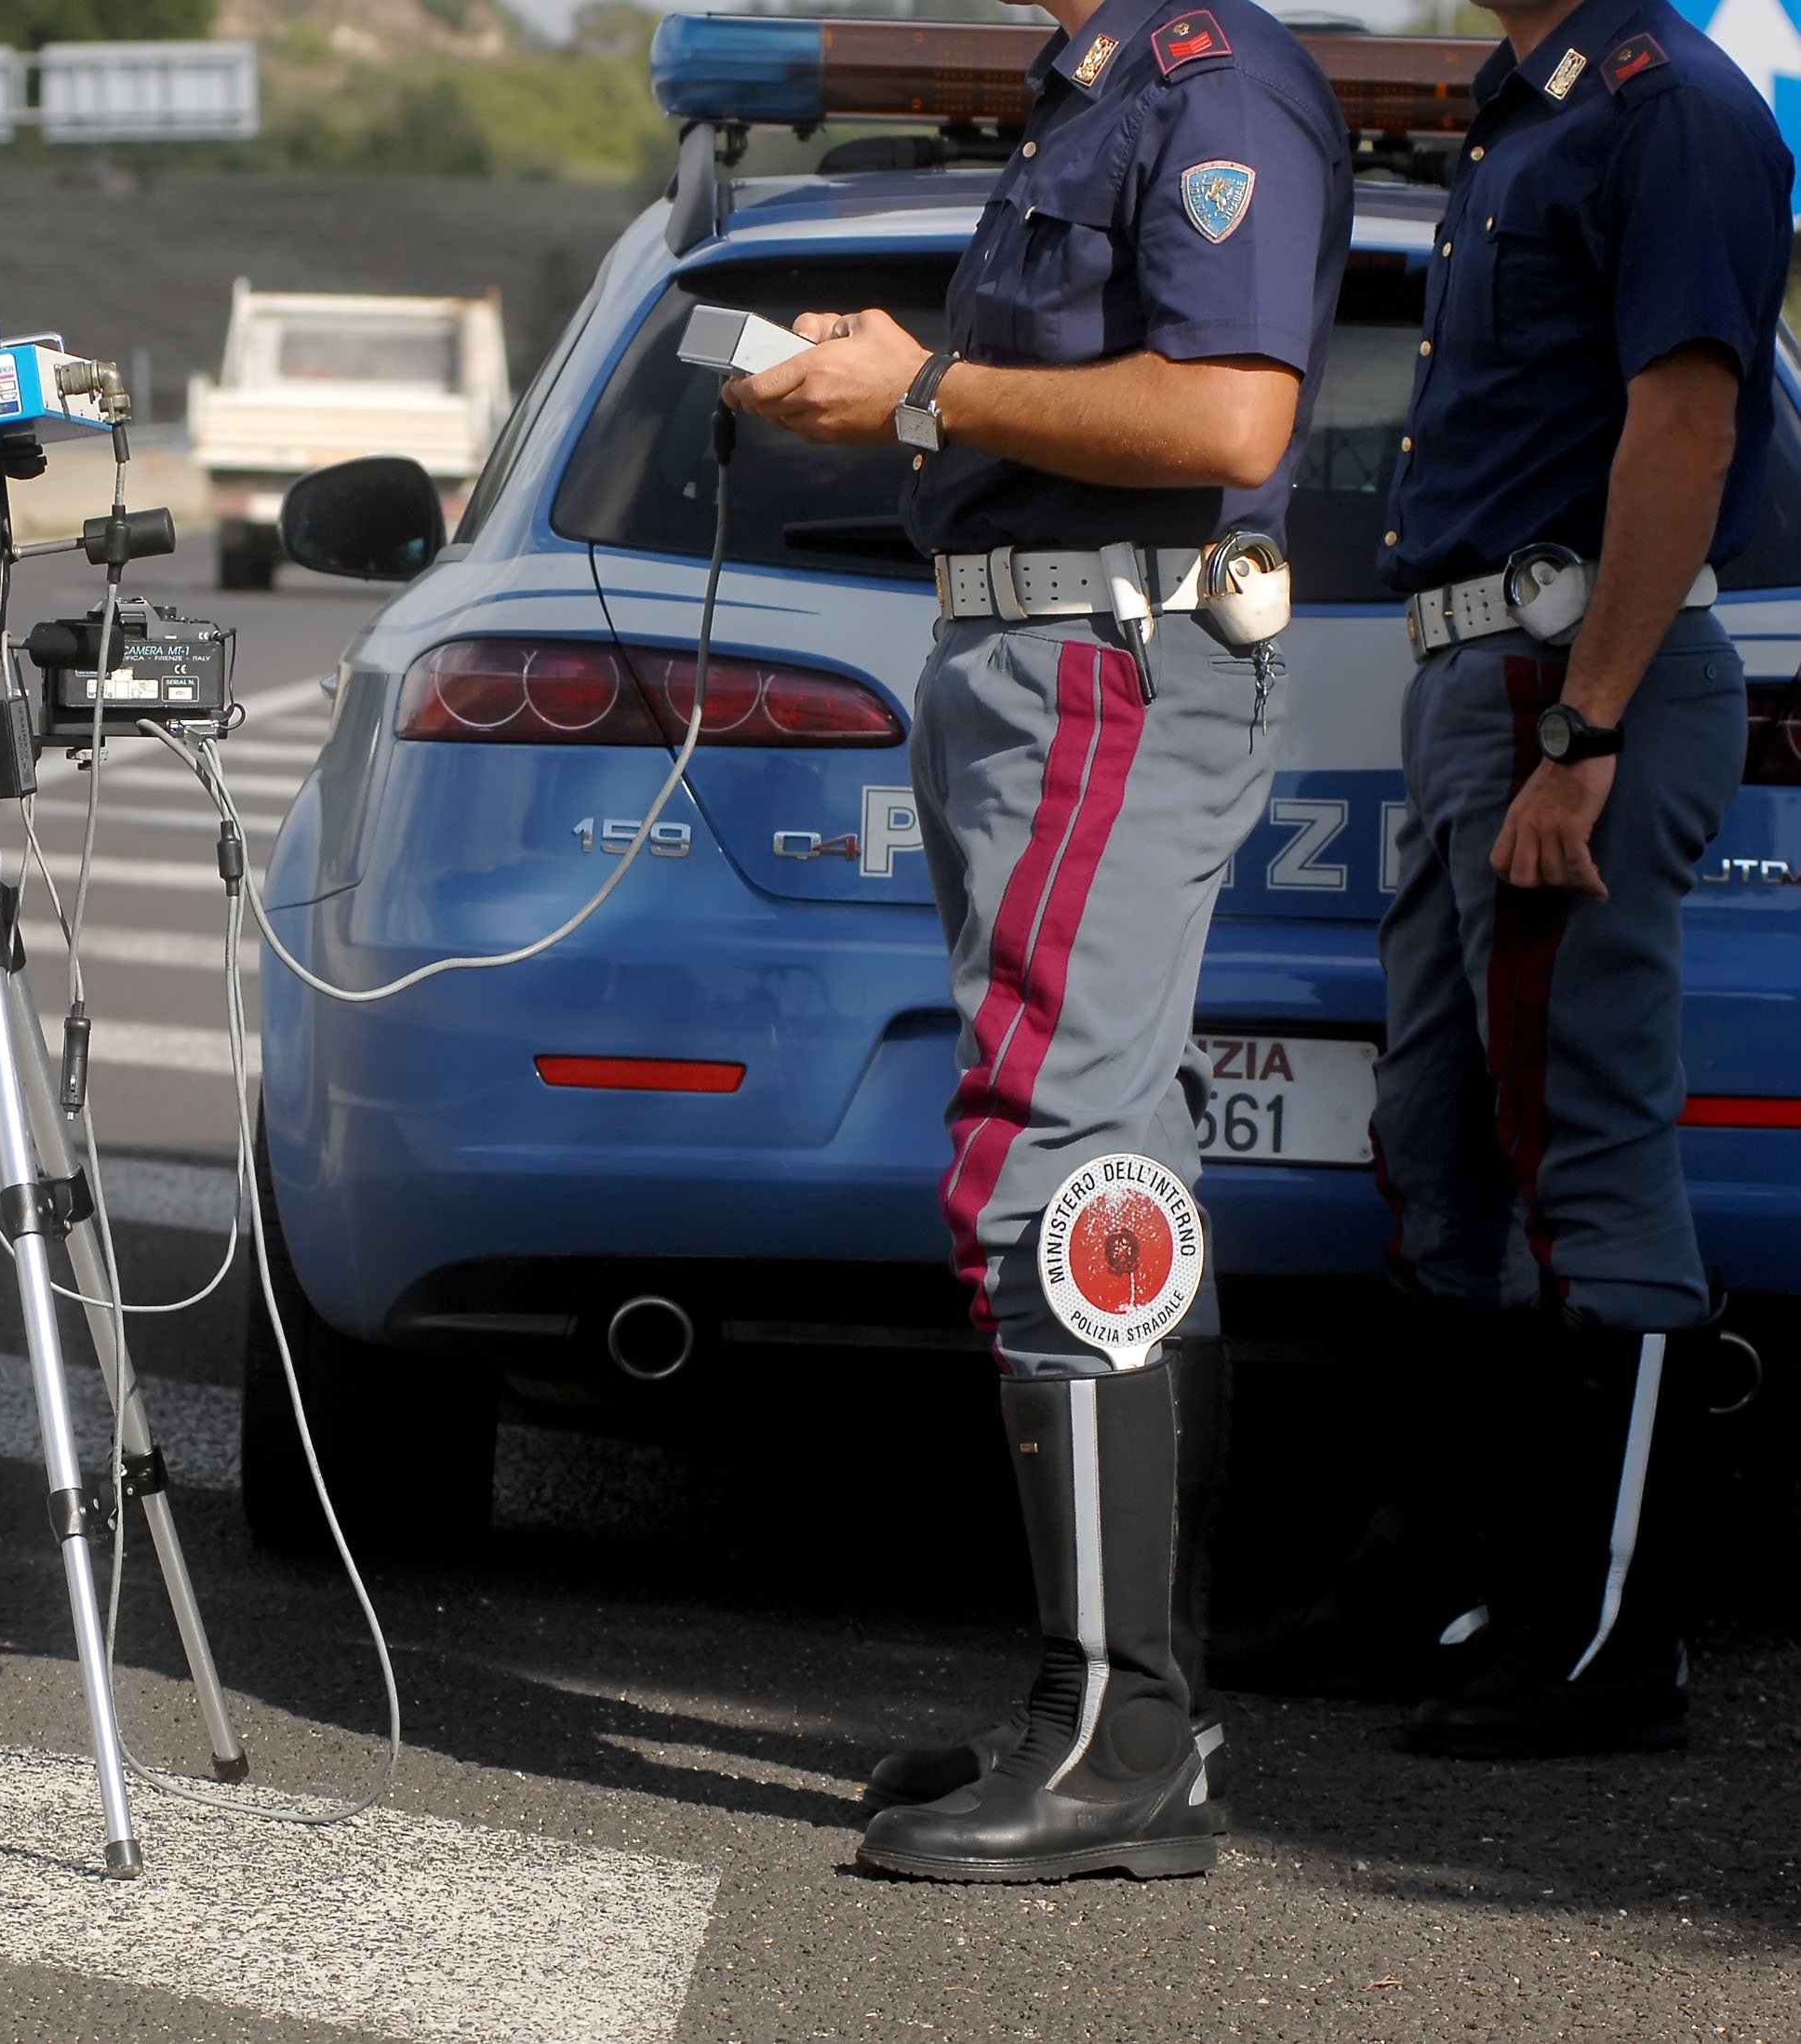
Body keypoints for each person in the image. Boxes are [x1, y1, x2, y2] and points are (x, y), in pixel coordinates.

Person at [725, 0, 1350, 1879]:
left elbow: (1228, 411)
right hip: (1036, 652)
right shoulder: (1101, 94)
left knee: (1050, 1150)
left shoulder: (1210, 82)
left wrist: (922, 389)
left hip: (1110, 653)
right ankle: (1116, 1713)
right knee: (1113, 1149)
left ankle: (1117, 1734)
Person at [1352, 0, 1790, 1756]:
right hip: (1485, 678)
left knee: (1588, 1150)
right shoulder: (1524, 107)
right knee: (1441, 1143)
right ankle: (1431, 1596)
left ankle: (1613, 1639)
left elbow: (1681, 428)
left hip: (1569, 682)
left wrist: (1584, 728)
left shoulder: (1666, 105)